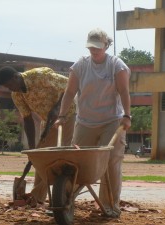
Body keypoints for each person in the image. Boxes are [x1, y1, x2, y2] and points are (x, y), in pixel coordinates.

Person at [55, 28, 131, 217]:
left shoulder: (116, 65)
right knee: (76, 161)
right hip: (85, 121)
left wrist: (127, 115)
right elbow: (70, 92)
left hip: (111, 121)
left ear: (106, 45)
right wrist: (62, 115)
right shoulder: (80, 65)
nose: (94, 51)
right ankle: (64, 202)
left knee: (110, 162)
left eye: (98, 47)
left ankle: (109, 206)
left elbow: (123, 91)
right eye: (91, 47)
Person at [0, 66, 76, 206]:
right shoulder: (17, 95)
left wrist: (58, 107)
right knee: (41, 158)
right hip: (48, 121)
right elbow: (27, 120)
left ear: (16, 77)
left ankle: (43, 196)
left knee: (60, 155)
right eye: (7, 87)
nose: (10, 89)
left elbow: (68, 86)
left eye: (10, 85)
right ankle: (38, 198)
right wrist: (33, 150)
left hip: (67, 115)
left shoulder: (40, 76)